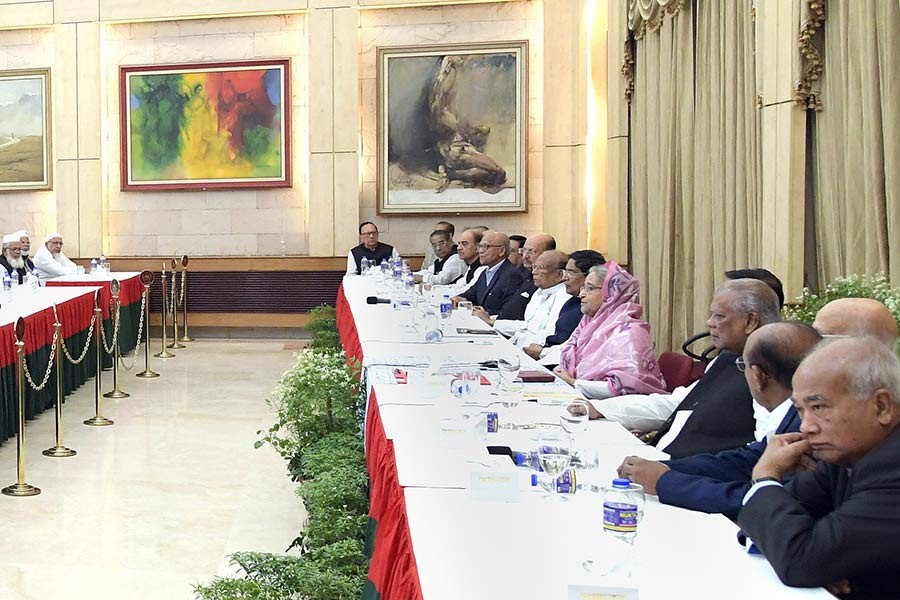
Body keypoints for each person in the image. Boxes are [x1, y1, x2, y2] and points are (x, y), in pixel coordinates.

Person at [617, 297, 899, 522]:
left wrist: (667, 482)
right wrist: (665, 470)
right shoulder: (812, 406)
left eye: (821, 337)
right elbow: (757, 459)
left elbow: (788, 514)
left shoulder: (856, 429)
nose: (807, 425)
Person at [738, 337, 900, 597]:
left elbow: (800, 560)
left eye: (819, 406)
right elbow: (766, 526)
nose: (805, 426)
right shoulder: (843, 454)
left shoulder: (893, 470)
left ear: (881, 406)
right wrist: (819, 560)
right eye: (801, 410)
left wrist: (765, 477)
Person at [618, 322, 821, 520]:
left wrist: (666, 481)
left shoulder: (811, 427)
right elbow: (749, 459)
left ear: (758, 375)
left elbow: (767, 502)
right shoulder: (793, 413)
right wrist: (665, 468)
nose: (710, 323)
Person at [587, 279, 782, 458]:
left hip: (692, 477)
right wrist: (601, 408)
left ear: (750, 321)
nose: (709, 322)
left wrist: (668, 475)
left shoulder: (768, 373)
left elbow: (764, 449)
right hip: (664, 461)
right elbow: (678, 403)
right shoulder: (726, 360)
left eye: (719, 316)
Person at [553, 262, 667, 398]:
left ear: (612, 294)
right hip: (583, 399)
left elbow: (626, 387)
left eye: (590, 288)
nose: (581, 294)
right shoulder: (590, 324)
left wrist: (574, 383)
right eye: (583, 288)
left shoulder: (629, 332)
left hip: (614, 410)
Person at [525, 249, 606, 364]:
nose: (565, 278)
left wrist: (543, 352)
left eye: (571, 272)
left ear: (589, 276)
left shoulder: (595, 310)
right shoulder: (571, 302)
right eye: (566, 272)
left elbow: (577, 350)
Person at [490, 251, 571, 350]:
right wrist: (493, 322)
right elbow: (526, 326)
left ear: (559, 275)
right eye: (534, 267)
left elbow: (549, 335)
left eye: (540, 268)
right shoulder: (539, 291)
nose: (533, 272)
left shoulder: (564, 296)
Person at [453, 231, 524, 316]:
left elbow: (509, 311)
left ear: (501, 251)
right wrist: (459, 298)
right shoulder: (485, 272)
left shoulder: (511, 275)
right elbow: (472, 293)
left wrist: (482, 313)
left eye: (486, 247)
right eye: (480, 246)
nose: (480, 251)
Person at [495, 233, 556, 321]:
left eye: (532, 251)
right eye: (524, 250)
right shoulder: (524, 276)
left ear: (548, 254)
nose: (525, 256)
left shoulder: (547, 282)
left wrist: (494, 322)